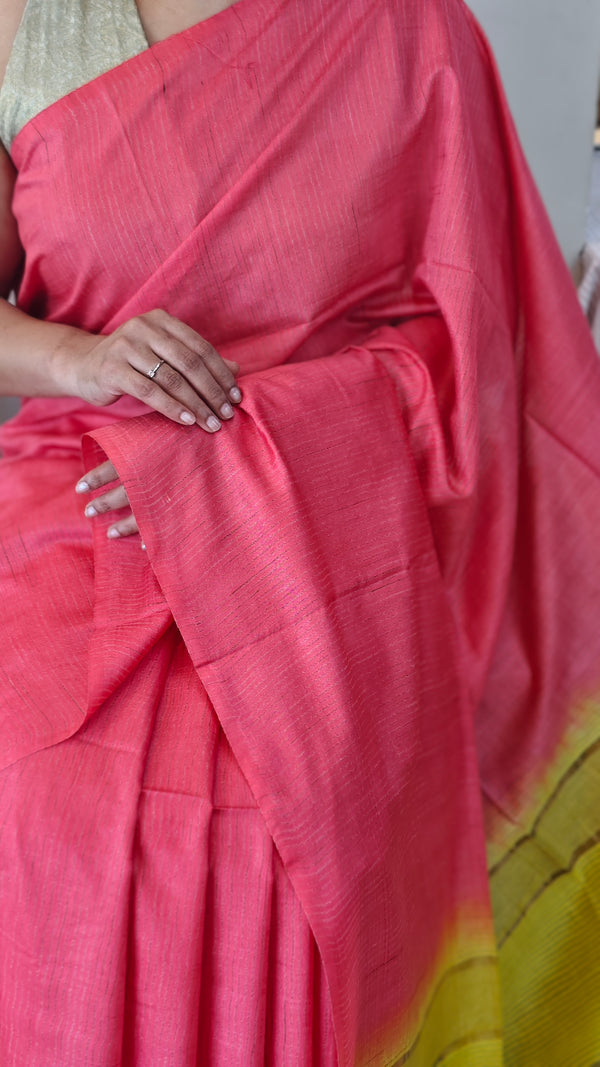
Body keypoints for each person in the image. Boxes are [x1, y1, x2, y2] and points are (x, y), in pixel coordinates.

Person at [1, 0, 600, 1064]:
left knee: (286, 844)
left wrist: (239, 461)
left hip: (332, 559)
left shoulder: (405, 28)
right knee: (36, 804)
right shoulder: (30, 21)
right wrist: (77, 361)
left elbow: (478, 350)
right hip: (68, 518)